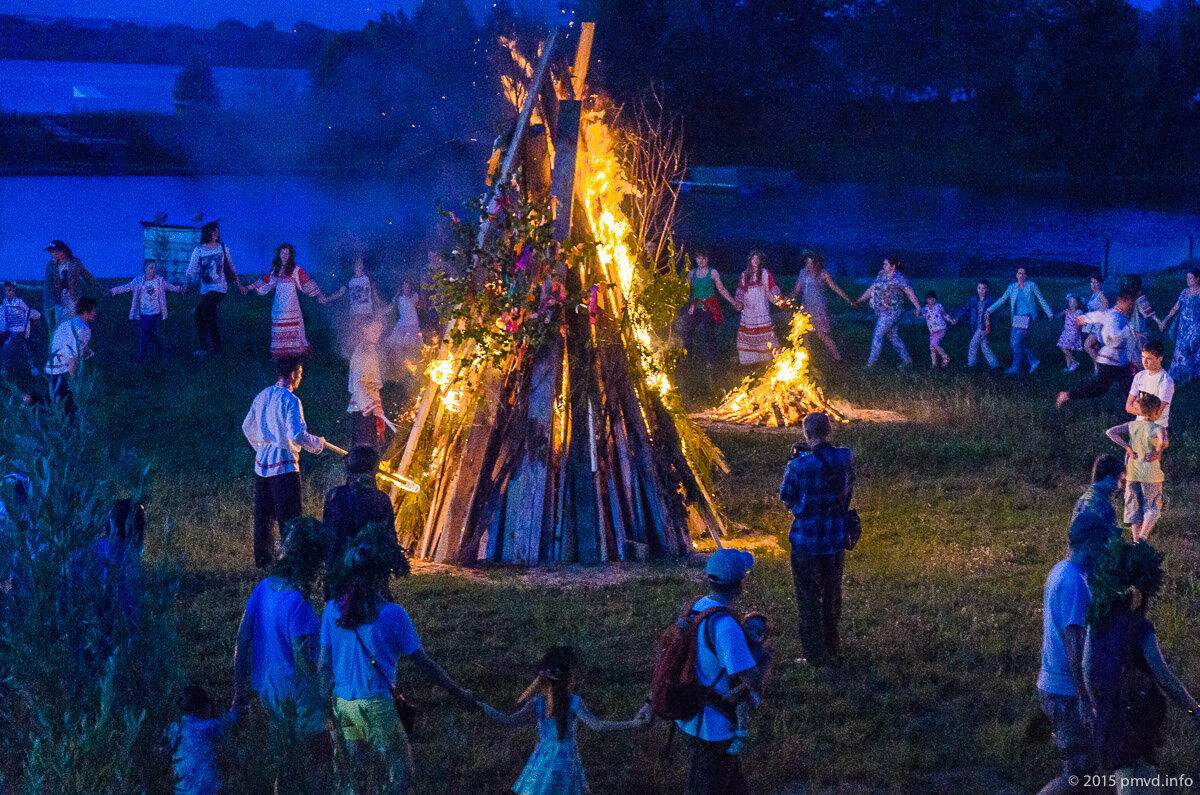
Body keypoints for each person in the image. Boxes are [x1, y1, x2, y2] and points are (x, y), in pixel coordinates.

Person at [319, 536, 477, 794]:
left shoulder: (332, 610)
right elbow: (424, 664)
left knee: (356, 777)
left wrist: (328, 707)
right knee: (400, 774)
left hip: (344, 703)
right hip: (377, 705)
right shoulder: (393, 615)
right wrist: (458, 693)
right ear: (382, 575)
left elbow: (324, 665)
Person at [1084, 539, 1200, 794]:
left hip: (1112, 718)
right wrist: (1194, 709)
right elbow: (1164, 676)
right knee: (1142, 784)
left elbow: (1086, 669)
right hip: (1138, 718)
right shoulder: (1140, 627)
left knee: (1132, 784)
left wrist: (1100, 704)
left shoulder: (1097, 623)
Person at [232, 517, 333, 785]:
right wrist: (327, 694)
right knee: (319, 764)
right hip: (298, 698)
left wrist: (239, 694)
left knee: (285, 765)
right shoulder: (298, 603)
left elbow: (242, 640)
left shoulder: (263, 589)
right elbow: (302, 659)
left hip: (269, 692)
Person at [479, 646, 650, 795]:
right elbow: (598, 725)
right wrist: (632, 723)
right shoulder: (574, 702)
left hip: (542, 762)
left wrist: (480, 706)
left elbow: (507, 720)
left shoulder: (537, 703)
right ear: (567, 677)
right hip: (565, 763)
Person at [1035, 512, 1113, 795]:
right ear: (1091, 544)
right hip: (1066, 692)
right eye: (1103, 542)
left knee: (1087, 773)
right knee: (1078, 776)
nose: (1106, 549)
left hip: (1056, 687)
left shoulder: (1060, 571)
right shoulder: (1075, 584)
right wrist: (1084, 698)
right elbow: (1074, 645)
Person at [674, 548, 757, 795]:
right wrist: (766, 656)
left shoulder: (694, 608)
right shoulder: (725, 627)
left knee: (733, 786)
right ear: (740, 583)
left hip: (690, 715)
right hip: (714, 729)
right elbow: (749, 678)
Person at [779, 411, 854, 666]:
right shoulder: (845, 458)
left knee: (809, 597)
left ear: (806, 434)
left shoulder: (797, 466)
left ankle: (814, 655)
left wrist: (794, 462)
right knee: (832, 593)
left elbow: (787, 499)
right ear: (829, 430)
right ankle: (833, 646)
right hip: (834, 540)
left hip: (806, 542)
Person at [242, 357, 332, 569]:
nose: (301, 377)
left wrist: (262, 447)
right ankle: (294, 562)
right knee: (289, 516)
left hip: (261, 466)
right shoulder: (290, 400)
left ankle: (263, 561)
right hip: (284, 466)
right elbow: (297, 434)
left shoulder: (262, 395)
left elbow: (247, 426)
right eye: (300, 373)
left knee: (263, 516)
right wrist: (317, 444)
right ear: (292, 374)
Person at [1056, 290, 1136, 410]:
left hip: (1119, 360)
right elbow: (1113, 335)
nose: (1132, 307)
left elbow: (1099, 315)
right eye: (1130, 304)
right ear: (1121, 302)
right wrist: (1129, 332)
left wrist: (1084, 318)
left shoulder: (1115, 314)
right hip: (1110, 360)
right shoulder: (1115, 317)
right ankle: (1067, 395)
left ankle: (1141, 414)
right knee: (1099, 389)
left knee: (1129, 389)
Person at [1105, 394, 1167, 543]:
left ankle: (1135, 542)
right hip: (1150, 473)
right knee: (1153, 505)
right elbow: (1163, 441)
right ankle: (1142, 538)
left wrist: (1127, 447)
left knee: (1135, 507)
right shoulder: (1156, 427)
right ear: (1156, 410)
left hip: (1132, 472)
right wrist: (1158, 450)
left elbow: (1110, 432)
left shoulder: (1132, 426)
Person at [323, 445, 395, 570]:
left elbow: (326, 530)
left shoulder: (334, 495)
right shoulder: (382, 499)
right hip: (369, 565)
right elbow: (389, 536)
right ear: (374, 469)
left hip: (339, 564)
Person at [250, 243, 326, 358]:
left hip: (292, 306)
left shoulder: (296, 270)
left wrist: (319, 294)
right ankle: (280, 356)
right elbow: (266, 282)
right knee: (279, 328)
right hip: (279, 306)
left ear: (291, 255)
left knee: (294, 328)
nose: (284, 255)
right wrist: (248, 287)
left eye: (287, 253)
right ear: (279, 254)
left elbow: (307, 283)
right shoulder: (276, 270)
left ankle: (294, 355)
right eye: (282, 252)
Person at [852, 254, 922, 369]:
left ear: (892, 266)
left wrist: (918, 307)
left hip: (894, 312)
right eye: (883, 264)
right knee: (892, 336)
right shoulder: (881, 275)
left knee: (878, 333)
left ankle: (871, 363)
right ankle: (907, 360)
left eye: (885, 264)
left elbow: (910, 292)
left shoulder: (899, 278)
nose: (883, 265)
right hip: (882, 311)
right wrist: (860, 300)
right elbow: (872, 289)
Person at [109, 258, 185, 364]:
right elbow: (126, 287)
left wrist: (179, 289)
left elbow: (170, 287)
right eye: (151, 268)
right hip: (143, 313)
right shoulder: (138, 281)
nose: (153, 270)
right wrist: (112, 291)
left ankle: (141, 358)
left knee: (144, 333)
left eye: (155, 268)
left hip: (154, 312)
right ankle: (161, 349)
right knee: (149, 333)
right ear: (145, 269)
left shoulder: (159, 281)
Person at [185, 221, 244, 357]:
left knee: (200, 313)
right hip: (205, 289)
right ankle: (213, 349)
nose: (217, 234)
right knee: (207, 316)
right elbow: (191, 269)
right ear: (208, 232)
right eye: (214, 231)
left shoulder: (223, 248)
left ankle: (206, 348)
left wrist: (239, 284)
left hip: (220, 288)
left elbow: (231, 267)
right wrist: (186, 284)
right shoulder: (199, 250)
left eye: (217, 231)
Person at [167, 684, 238, 795]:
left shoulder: (174, 729)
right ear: (206, 706)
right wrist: (238, 705)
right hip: (205, 789)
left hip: (183, 790)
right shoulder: (207, 727)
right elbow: (230, 720)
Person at [987, 266, 1054, 374]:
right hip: (1016, 318)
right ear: (1016, 275)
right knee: (1014, 344)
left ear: (1026, 275)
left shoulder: (1031, 285)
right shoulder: (1012, 287)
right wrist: (989, 310)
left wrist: (1049, 313)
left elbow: (1041, 299)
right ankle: (1033, 361)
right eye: (1019, 273)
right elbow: (1002, 299)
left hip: (1027, 316)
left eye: (1024, 273)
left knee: (1016, 341)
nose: (1021, 276)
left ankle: (1015, 367)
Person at [787, 252, 852, 362]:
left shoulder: (823, 274)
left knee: (822, 335)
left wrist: (848, 299)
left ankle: (838, 357)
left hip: (818, 309)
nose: (808, 266)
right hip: (805, 308)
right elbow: (797, 289)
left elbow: (834, 287)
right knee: (803, 333)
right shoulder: (802, 273)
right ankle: (806, 358)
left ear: (816, 264)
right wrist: (788, 299)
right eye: (806, 263)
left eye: (811, 263)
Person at [725, 612, 772, 757]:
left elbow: (755, 680)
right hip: (731, 686)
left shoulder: (762, 655)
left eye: (759, 631)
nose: (752, 633)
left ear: (764, 636)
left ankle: (741, 733)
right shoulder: (736, 646)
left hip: (750, 691)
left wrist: (736, 692)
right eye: (749, 628)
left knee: (742, 705)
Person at [44, 295, 97, 419]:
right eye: (93, 311)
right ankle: (28, 400)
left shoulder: (66, 323)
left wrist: (89, 354)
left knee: (54, 400)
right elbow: (73, 356)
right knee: (63, 406)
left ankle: (28, 401)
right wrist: (72, 383)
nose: (95, 314)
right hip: (62, 371)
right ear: (86, 313)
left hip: (51, 367)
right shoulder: (83, 329)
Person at [682, 252, 736, 368]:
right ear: (695, 259)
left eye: (703, 258)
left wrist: (733, 302)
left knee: (709, 334)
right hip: (696, 306)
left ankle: (712, 362)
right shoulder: (691, 273)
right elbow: (684, 291)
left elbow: (721, 289)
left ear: (707, 259)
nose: (701, 261)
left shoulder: (713, 272)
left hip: (709, 306)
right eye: (698, 258)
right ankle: (687, 359)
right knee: (687, 331)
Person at [733, 251, 784, 365]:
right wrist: (739, 302)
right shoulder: (744, 274)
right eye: (753, 259)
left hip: (761, 307)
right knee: (749, 332)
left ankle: (768, 358)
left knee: (765, 332)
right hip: (749, 308)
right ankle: (750, 360)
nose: (755, 261)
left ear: (760, 261)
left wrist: (781, 301)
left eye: (758, 259)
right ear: (750, 260)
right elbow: (740, 290)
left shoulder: (765, 273)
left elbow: (772, 288)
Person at [347, 319, 387, 449]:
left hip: (370, 408)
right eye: (373, 330)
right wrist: (371, 406)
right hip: (362, 410)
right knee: (363, 450)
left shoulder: (371, 350)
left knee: (371, 449)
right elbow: (358, 384)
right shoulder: (362, 352)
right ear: (364, 330)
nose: (377, 333)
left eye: (379, 330)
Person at [1157, 267, 1200, 383]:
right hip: (1183, 327)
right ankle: (1180, 376)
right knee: (1180, 349)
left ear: (1197, 279)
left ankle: (1191, 375)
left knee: (1190, 348)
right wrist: (1165, 320)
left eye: (1190, 278)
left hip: (1194, 327)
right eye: (1187, 278)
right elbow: (1176, 308)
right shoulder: (1184, 292)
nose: (1188, 280)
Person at [42, 239, 96, 331]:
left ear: (62, 252)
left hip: (72, 298)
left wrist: (103, 290)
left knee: (70, 323)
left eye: (54, 252)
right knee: (59, 325)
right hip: (58, 301)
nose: (52, 254)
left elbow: (88, 277)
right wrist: (47, 303)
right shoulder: (51, 266)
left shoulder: (75, 263)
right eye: (51, 252)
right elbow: (47, 285)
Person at [1126, 341, 1174, 435]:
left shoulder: (1165, 381)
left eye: (1149, 359)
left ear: (1159, 359)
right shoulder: (1139, 376)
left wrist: (1136, 404)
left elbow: (1156, 415)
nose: (1144, 362)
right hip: (1138, 426)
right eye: (1143, 357)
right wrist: (1147, 411)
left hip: (1156, 430)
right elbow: (1128, 407)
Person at [1071, 454, 1124, 528]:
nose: (1119, 486)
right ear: (1109, 478)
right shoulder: (1103, 505)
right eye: (1119, 480)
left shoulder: (1083, 499)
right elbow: (1111, 537)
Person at [956, 279, 999, 369]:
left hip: (984, 327)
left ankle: (971, 365)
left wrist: (990, 328)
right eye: (979, 288)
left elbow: (994, 316)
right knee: (984, 346)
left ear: (987, 289)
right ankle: (995, 365)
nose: (981, 290)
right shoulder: (973, 300)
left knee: (972, 344)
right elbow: (965, 309)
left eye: (984, 288)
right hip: (976, 327)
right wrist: (957, 318)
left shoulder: (991, 301)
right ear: (977, 289)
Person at [1, 281, 40, 377]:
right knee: (24, 348)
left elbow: (27, 311)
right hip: (11, 330)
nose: (11, 293)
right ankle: (33, 368)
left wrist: (32, 320)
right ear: (5, 291)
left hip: (18, 330)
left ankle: (4, 370)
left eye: (12, 291)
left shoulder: (19, 302)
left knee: (6, 348)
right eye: (8, 290)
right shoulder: (4, 302)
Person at [385, 280, 423, 380]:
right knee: (397, 345)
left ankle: (411, 371)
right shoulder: (399, 298)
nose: (406, 288)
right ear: (402, 288)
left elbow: (420, 304)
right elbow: (391, 306)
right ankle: (399, 369)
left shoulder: (414, 296)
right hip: (402, 325)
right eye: (404, 286)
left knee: (410, 347)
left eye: (408, 286)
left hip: (413, 325)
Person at [1122, 274, 1159, 364]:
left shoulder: (1132, 297)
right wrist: (1158, 322)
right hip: (1137, 329)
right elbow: (1148, 313)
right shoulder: (1138, 297)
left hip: (1133, 329)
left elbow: (1147, 312)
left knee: (1136, 356)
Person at [920, 290, 956, 368]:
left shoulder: (939, 306)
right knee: (932, 348)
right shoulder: (925, 309)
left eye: (933, 298)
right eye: (929, 299)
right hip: (932, 331)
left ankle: (945, 357)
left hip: (941, 329)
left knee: (935, 344)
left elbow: (945, 315)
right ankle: (934, 364)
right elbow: (921, 317)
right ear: (926, 300)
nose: (931, 300)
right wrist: (917, 313)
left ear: (935, 298)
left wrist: (950, 320)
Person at [1082, 272, 1110, 364]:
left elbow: (1106, 312)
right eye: (1091, 282)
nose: (1093, 285)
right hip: (1092, 325)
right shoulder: (1093, 295)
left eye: (1095, 282)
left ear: (1100, 283)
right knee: (1095, 348)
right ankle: (1097, 369)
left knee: (1087, 346)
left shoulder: (1101, 295)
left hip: (1099, 326)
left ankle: (1100, 365)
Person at [1055, 294, 1084, 372]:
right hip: (1066, 332)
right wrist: (1052, 316)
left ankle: (1074, 362)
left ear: (1078, 304)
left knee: (1064, 348)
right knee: (1067, 350)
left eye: (1074, 302)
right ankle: (1069, 367)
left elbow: (1080, 324)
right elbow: (1058, 315)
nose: (1071, 304)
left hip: (1073, 333)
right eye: (1070, 302)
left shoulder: (1079, 312)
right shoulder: (1067, 311)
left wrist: (1078, 327)